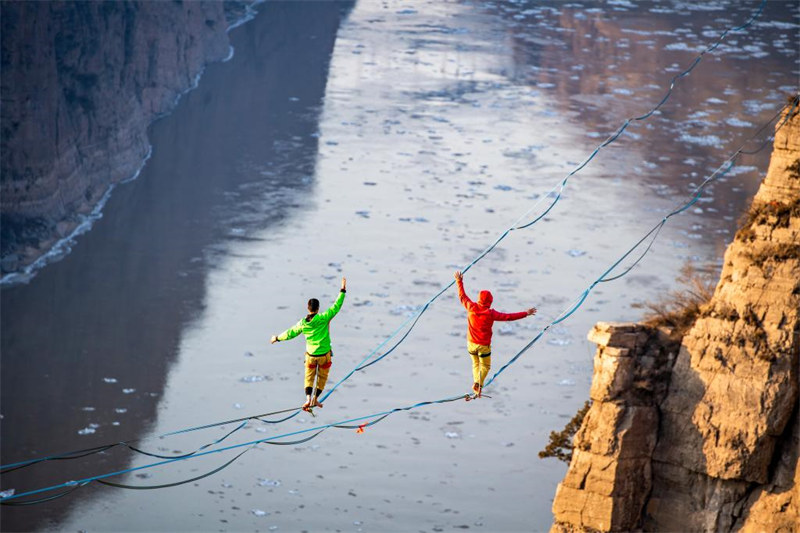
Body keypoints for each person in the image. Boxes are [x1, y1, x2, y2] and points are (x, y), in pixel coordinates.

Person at [454, 270, 535, 397]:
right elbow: (509, 317)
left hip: (470, 344)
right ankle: (478, 384)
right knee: (485, 366)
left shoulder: (471, 307)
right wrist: (526, 313)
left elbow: (462, 296)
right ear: (490, 302)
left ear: (479, 299)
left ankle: (477, 383)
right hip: (483, 346)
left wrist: (459, 281)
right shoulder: (490, 314)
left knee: (475, 364)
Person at [271, 277, 347, 409]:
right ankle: (316, 399)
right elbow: (337, 306)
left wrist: (277, 338)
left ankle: (307, 399)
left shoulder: (303, 323)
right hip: (324, 355)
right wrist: (342, 290)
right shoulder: (324, 317)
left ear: (308, 308)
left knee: (309, 377)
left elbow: (290, 333)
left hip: (311, 356)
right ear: (318, 309)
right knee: (322, 377)